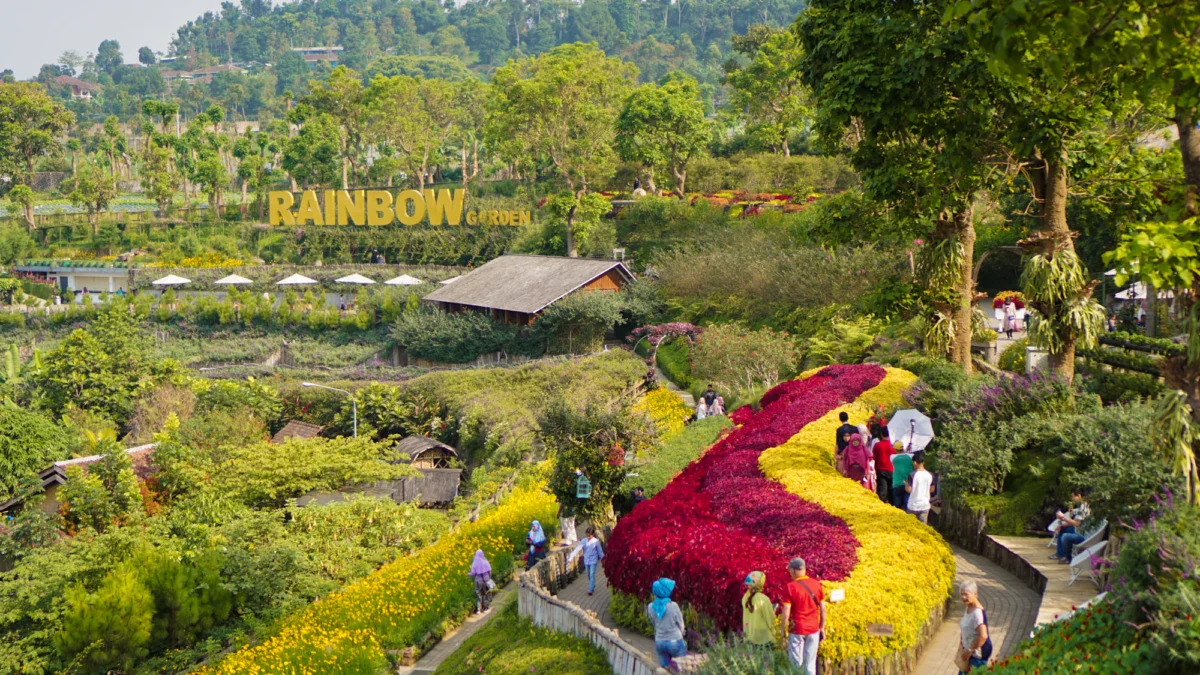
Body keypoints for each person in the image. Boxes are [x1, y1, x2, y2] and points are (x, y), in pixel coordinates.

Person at [780, 557, 825, 675]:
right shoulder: (817, 585)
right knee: (810, 665)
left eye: (789, 570)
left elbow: (786, 612)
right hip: (813, 629)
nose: (789, 573)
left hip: (797, 630)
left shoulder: (790, 587)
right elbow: (823, 608)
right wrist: (822, 627)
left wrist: (783, 630)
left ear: (794, 570)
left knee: (796, 665)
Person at [647, 578, 686, 668]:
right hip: (675, 640)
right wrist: (682, 633)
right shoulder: (673, 606)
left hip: (659, 641)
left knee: (665, 670)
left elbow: (654, 623)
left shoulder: (650, 607)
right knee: (682, 669)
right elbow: (681, 623)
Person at [956, 580, 992, 673]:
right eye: (961, 594)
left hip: (976, 656)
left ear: (975, 594)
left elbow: (983, 636)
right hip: (968, 655)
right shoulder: (969, 607)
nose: (963, 597)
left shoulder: (977, 613)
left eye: (966, 594)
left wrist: (969, 650)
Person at [1051, 488, 1090, 563]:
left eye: (1073, 496)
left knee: (1065, 536)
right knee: (1062, 529)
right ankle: (1061, 554)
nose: (1072, 499)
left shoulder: (1084, 507)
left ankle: (1067, 557)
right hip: (1078, 530)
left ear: (1079, 495)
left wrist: (1063, 517)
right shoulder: (1081, 506)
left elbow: (1077, 523)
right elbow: (1075, 520)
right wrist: (1062, 525)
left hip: (1083, 535)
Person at [742, 571, 777, 647]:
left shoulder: (745, 597)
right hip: (764, 638)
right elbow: (770, 620)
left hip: (750, 636)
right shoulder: (763, 599)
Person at [573, 526, 605, 595]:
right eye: (587, 535)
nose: (588, 537)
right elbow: (577, 548)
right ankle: (592, 585)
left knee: (592, 574)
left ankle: (590, 589)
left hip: (593, 561)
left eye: (589, 536)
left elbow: (600, 551)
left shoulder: (596, 542)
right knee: (588, 575)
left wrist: (604, 559)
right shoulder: (584, 541)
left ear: (592, 535)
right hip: (586, 561)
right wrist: (571, 557)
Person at [906, 451, 934, 524]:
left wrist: (906, 483)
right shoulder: (930, 475)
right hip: (925, 505)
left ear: (915, 462)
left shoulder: (912, 475)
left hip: (913, 505)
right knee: (923, 529)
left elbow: (908, 490)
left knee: (910, 527)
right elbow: (932, 490)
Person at [873, 427, 895, 505]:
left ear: (881, 434)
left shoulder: (877, 445)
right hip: (892, 469)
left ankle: (882, 504)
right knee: (891, 489)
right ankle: (892, 504)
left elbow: (874, 456)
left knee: (882, 488)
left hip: (880, 468)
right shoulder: (893, 446)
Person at [468, 549, 493, 614]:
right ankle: (486, 608)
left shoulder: (474, 563)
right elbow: (489, 571)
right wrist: (489, 577)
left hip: (478, 581)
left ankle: (479, 610)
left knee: (479, 595)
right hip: (486, 580)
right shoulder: (485, 561)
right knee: (486, 594)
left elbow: (473, 573)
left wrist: (469, 574)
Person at [891, 445, 914, 511]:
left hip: (897, 483)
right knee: (907, 503)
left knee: (897, 505)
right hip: (908, 483)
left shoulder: (892, 457)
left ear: (895, 449)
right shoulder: (911, 456)